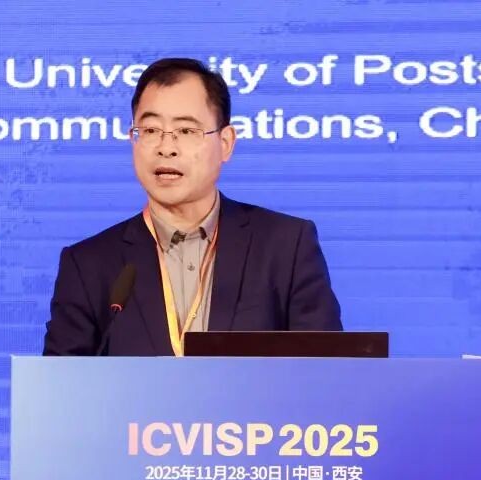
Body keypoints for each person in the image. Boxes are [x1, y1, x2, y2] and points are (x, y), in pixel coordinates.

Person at [43, 58, 341, 356]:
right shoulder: (88, 265)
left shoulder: (285, 246)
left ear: (226, 143)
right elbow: (60, 381)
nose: (166, 148)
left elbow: (327, 370)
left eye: (186, 131)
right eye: (150, 130)